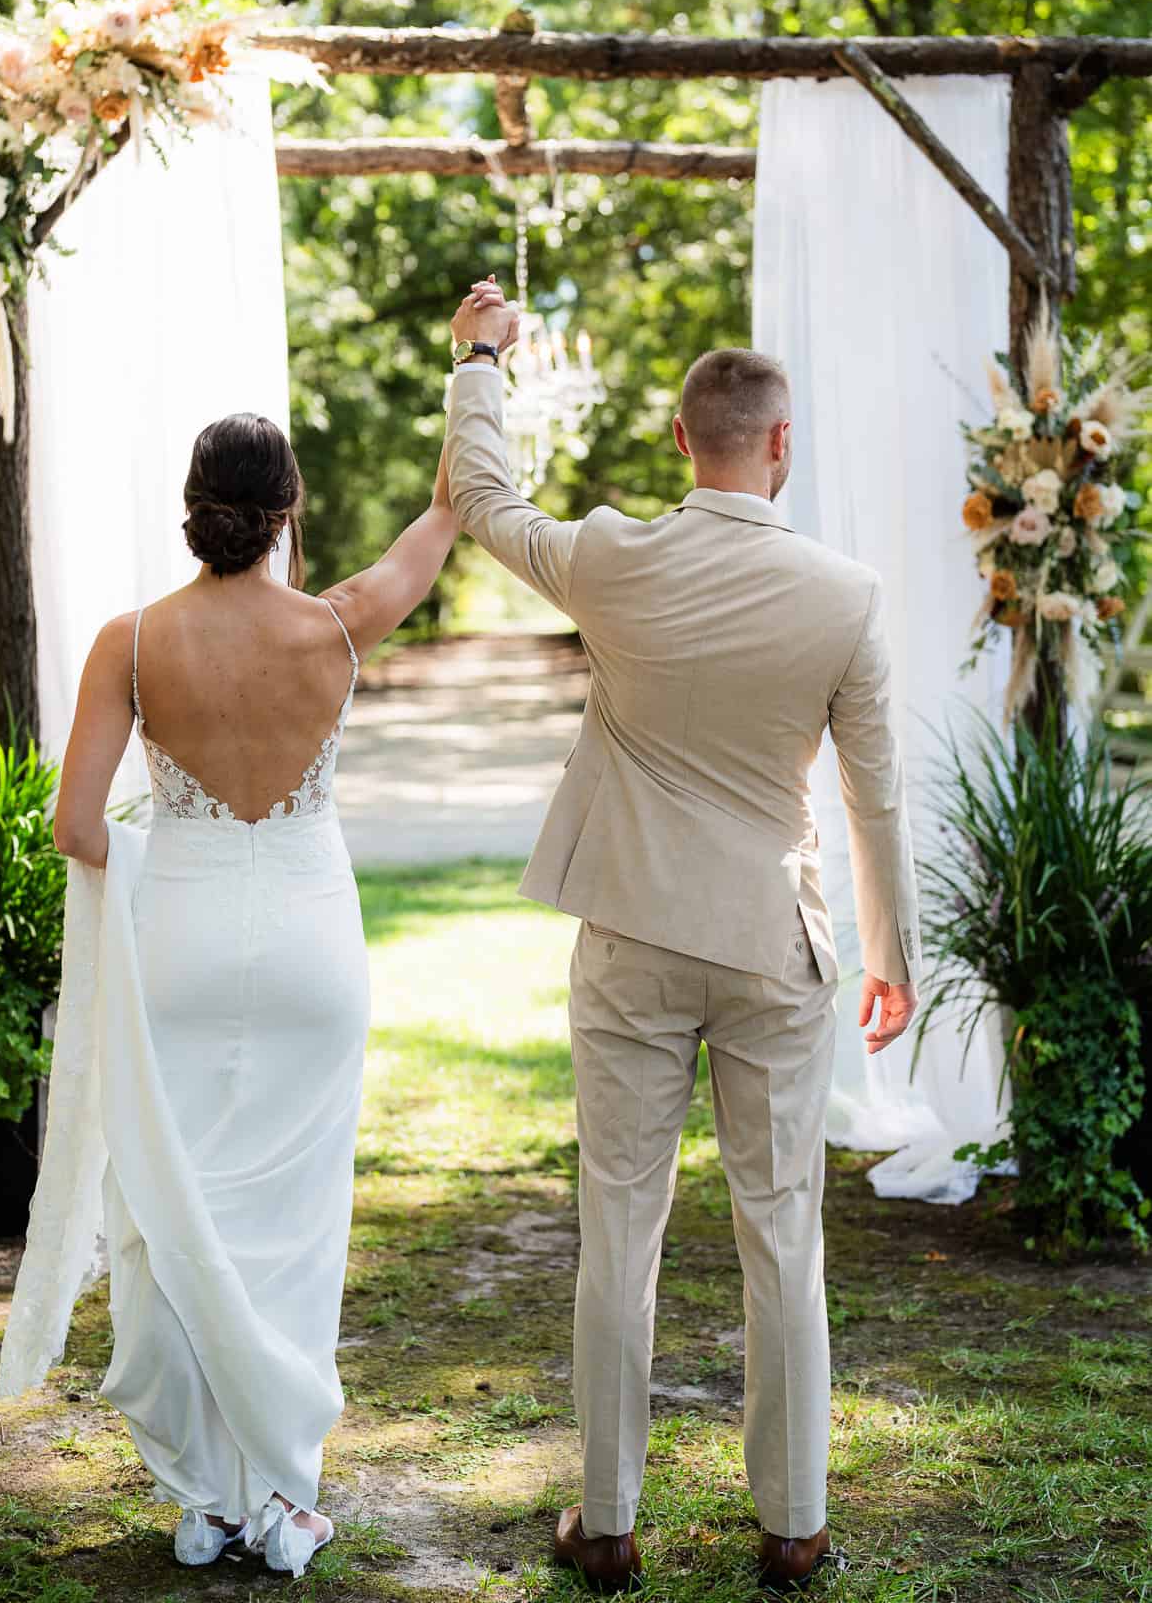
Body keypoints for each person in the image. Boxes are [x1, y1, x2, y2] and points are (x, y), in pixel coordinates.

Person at [444, 285, 919, 1594]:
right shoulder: (847, 595)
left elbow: (482, 501)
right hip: (776, 948)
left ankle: (605, 1523)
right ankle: (796, 1524)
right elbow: (874, 794)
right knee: (782, 1234)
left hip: (634, 940)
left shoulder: (611, 557)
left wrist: (481, 360)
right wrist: (894, 955)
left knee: (619, 1225)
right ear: (780, 445)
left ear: (677, 438)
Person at [43, 412, 459, 1573]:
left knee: (177, 1213)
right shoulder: (339, 622)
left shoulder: (130, 642)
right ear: (289, 507)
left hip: (179, 937)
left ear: (194, 503)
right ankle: (279, 1494)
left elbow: (77, 825)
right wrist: (473, 370)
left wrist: (173, 859)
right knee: (291, 1228)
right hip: (312, 951)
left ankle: (205, 1500)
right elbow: (443, 517)